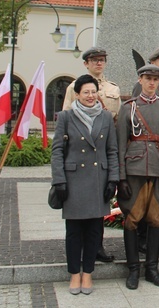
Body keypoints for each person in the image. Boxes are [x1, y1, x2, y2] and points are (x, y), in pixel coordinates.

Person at [51, 74, 119, 295]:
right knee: (73, 232)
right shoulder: (66, 117)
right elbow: (57, 151)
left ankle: (88, 274)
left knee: (93, 231)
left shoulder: (106, 118)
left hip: (98, 180)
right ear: (77, 94)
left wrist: (113, 179)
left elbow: (112, 150)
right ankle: (74, 274)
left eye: (93, 92)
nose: (91, 96)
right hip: (73, 182)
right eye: (86, 92)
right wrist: (59, 180)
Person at [116, 65, 159, 290]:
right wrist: (120, 178)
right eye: (148, 78)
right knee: (132, 219)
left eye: (156, 79)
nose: (152, 83)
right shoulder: (129, 108)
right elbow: (120, 145)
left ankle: (152, 268)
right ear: (140, 80)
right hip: (134, 171)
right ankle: (134, 268)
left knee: (155, 219)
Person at [62, 46, 121, 263]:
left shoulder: (113, 88)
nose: (99, 63)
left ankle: (97, 247)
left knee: (100, 204)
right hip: (82, 153)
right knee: (79, 207)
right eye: (94, 60)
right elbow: (67, 122)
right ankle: (80, 249)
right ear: (86, 63)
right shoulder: (74, 88)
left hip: (105, 148)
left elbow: (118, 121)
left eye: (102, 60)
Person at [132, 47, 159, 255]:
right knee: (143, 198)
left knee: (157, 199)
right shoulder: (141, 86)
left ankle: (153, 238)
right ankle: (142, 239)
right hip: (145, 149)